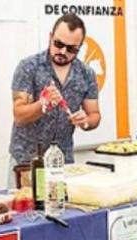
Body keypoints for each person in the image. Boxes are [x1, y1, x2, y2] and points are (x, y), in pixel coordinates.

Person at [9, 13, 101, 180]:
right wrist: (43, 104)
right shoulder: (29, 67)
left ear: (80, 47)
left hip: (64, 161)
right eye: (58, 44)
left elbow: (94, 115)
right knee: (26, 206)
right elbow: (19, 115)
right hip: (27, 161)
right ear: (50, 37)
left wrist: (85, 121)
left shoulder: (86, 73)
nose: (63, 51)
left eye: (71, 49)